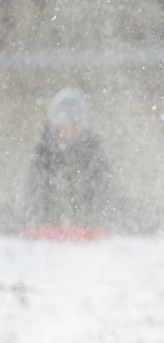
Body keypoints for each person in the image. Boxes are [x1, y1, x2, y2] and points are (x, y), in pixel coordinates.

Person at [23, 88, 121, 234]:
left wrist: (98, 221)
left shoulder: (93, 150)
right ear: (56, 125)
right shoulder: (44, 152)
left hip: (88, 228)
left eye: (74, 124)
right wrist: (39, 222)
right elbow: (34, 191)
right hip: (50, 230)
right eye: (63, 124)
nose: (68, 130)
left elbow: (104, 189)